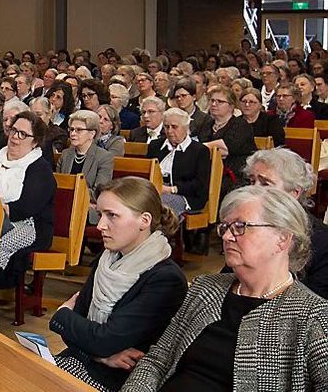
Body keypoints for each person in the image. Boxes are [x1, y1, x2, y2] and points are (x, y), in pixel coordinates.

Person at [121, 186, 328, 391]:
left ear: (282, 239)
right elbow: (158, 361)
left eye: (240, 226)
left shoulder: (312, 316)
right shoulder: (205, 288)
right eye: (225, 227)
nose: (227, 237)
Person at [51, 177, 187, 391]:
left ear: (144, 220)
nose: (100, 225)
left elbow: (105, 339)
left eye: (112, 215)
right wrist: (101, 355)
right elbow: (87, 335)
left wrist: (61, 314)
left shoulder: (165, 279)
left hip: (118, 381)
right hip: (86, 362)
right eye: (100, 214)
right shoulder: (106, 259)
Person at [0, 110, 56, 286]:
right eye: (13, 130)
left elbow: (26, 208)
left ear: (35, 141)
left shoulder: (40, 169)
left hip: (28, 225)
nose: (15, 137)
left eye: (23, 134)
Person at [246, 147, 328, 298]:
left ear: (294, 193)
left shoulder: (322, 242)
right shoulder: (245, 227)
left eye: (265, 184)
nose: (253, 190)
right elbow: (228, 280)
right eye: (252, 181)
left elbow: (315, 305)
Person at [147, 108, 211, 218]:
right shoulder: (155, 145)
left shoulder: (199, 151)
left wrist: (172, 189)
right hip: (155, 190)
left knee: (157, 205)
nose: (170, 131)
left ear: (186, 128)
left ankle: (158, 233)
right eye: (166, 127)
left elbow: (200, 184)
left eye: (174, 127)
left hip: (185, 195)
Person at [58, 110, 114, 224]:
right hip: (63, 203)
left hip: (88, 209)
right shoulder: (65, 154)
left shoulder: (104, 157)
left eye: (79, 130)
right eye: (71, 129)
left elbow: (99, 193)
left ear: (92, 134)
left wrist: (74, 195)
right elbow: (58, 184)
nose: (73, 133)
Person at [205, 84, 256, 194]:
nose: (214, 104)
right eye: (212, 100)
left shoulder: (240, 125)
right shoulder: (206, 124)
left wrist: (200, 148)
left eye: (220, 101)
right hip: (209, 172)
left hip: (235, 175)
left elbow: (224, 148)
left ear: (231, 106)